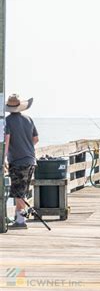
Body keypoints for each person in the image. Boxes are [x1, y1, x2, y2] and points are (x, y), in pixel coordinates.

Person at [4, 94, 39, 229]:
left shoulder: (7, 121)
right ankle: (19, 219)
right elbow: (36, 139)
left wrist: (3, 159)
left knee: (18, 192)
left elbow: (6, 141)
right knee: (22, 191)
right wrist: (25, 146)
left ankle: (20, 221)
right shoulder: (28, 119)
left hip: (18, 162)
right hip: (31, 160)